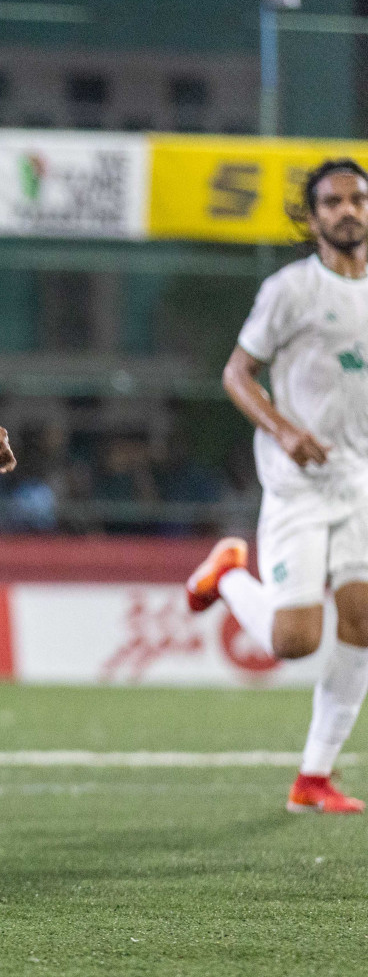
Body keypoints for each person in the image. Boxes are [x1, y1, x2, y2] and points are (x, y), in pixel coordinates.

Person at [186, 159, 368, 814]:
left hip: (360, 480)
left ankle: (313, 779)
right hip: (298, 484)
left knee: (363, 620)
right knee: (296, 641)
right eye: (332, 202)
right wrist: (285, 430)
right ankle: (227, 574)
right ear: (312, 217)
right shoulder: (291, 290)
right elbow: (237, 374)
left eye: (357, 198)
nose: (347, 210)